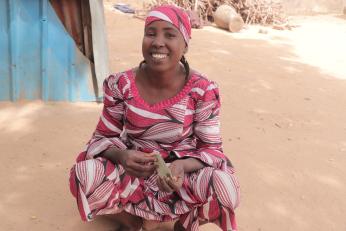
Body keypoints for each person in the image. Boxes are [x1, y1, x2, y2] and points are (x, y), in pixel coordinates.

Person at [69, 4, 240, 231]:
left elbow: (211, 150)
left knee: (225, 187)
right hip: (133, 174)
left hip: (181, 178)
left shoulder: (202, 89)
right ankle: (133, 222)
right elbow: (102, 138)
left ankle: (184, 223)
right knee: (83, 174)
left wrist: (181, 167)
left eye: (170, 35)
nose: (158, 42)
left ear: (185, 44)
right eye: (151, 33)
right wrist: (122, 156)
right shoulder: (121, 85)